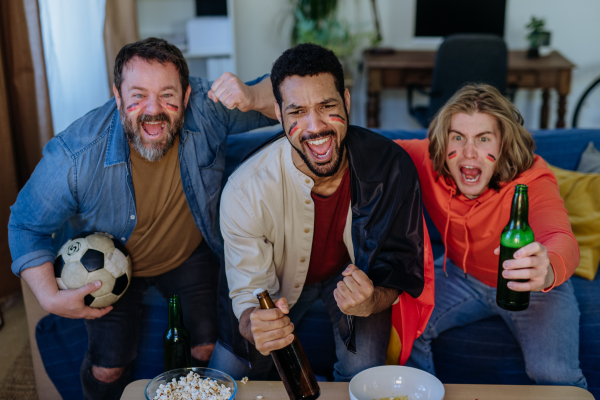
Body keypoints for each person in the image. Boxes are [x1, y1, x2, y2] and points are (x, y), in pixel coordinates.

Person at [8, 37, 278, 399]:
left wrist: (252, 93)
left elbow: (289, 97)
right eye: (137, 96)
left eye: (167, 95)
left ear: (186, 95)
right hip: (111, 267)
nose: (154, 110)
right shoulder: (75, 155)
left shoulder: (208, 107)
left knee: (205, 354)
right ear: (117, 96)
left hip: (189, 253)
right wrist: (49, 297)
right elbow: (25, 223)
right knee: (108, 370)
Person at [210, 43, 434, 381]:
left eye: (326, 106)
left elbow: (400, 266)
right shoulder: (244, 191)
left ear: (346, 101)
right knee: (219, 383)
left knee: (366, 378)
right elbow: (247, 293)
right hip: (275, 288)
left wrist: (371, 300)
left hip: (355, 278)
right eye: (297, 111)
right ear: (279, 113)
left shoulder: (392, 168)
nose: (315, 127)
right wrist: (254, 323)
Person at [397, 84, 587, 388]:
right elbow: (371, 149)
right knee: (404, 331)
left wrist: (546, 268)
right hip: (459, 274)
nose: (469, 153)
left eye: (483, 139)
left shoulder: (532, 178)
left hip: (532, 288)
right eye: (458, 137)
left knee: (556, 376)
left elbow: (560, 236)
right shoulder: (428, 158)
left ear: (502, 145)